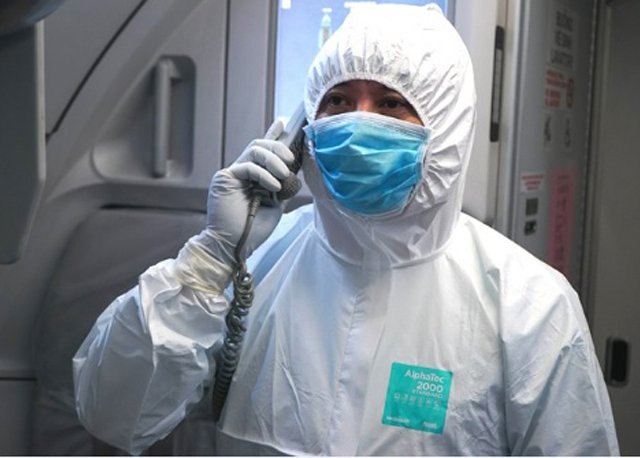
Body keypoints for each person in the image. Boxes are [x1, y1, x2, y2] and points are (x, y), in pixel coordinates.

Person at [73, 3, 619, 455]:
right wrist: (212, 257)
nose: (358, 122)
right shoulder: (255, 264)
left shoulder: (528, 305)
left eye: (391, 104)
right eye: (337, 101)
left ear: (446, 126)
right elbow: (113, 414)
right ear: (307, 124)